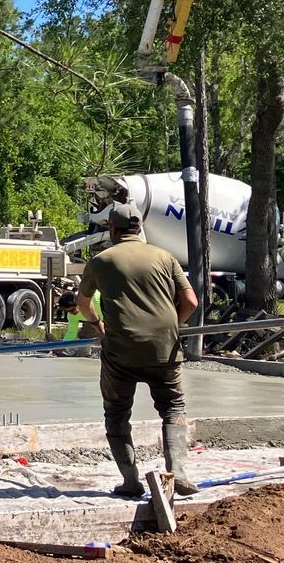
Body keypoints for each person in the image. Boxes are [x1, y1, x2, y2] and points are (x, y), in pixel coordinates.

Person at [75, 202, 200, 499]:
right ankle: (178, 474)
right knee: (172, 409)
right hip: (164, 350)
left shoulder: (101, 260)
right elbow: (191, 302)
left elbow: (82, 301)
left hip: (121, 351)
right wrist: (170, 326)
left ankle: (130, 481)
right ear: (139, 227)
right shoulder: (164, 256)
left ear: (113, 229)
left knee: (117, 412)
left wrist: (97, 324)